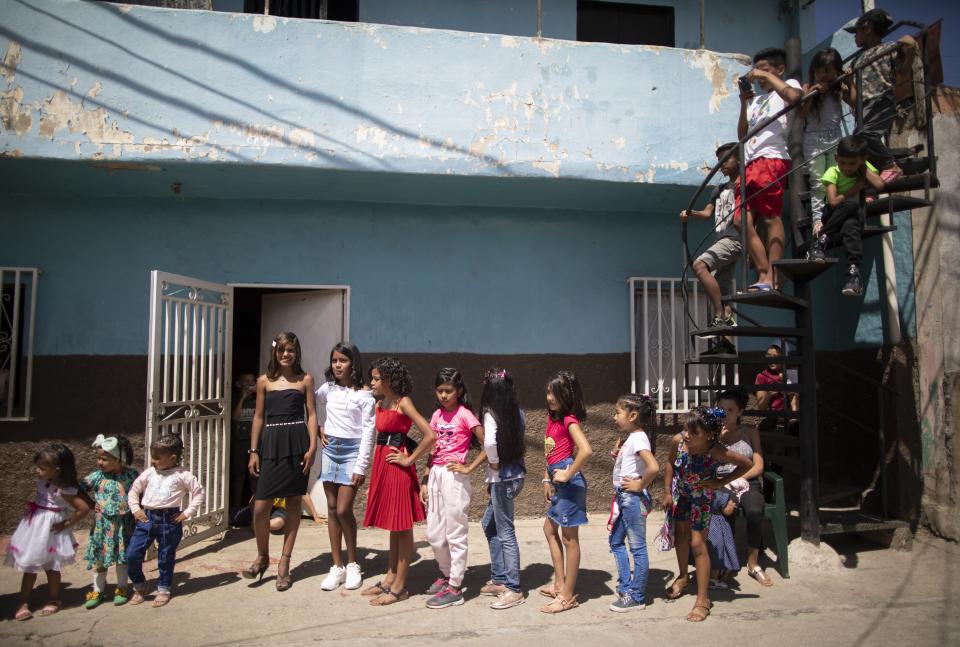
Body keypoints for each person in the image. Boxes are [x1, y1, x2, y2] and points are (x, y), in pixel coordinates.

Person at [241, 332, 319, 592]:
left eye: (291, 351)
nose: (286, 355)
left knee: (294, 502)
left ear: (297, 353)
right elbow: (259, 417)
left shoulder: (305, 379)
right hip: (271, 444)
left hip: (297, 444)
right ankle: (262, 556)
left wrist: (312, 445)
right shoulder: (264, 381)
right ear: (275, 353)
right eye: (281, 351)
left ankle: (284, 563)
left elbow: (311, 415)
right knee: (261, 506)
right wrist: (254, 450)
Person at [661, 406, 752, 622]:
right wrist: (666, 492)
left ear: (709, 435)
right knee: (681, 538)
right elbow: (670, 464)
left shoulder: (717, 451)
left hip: (702, 500)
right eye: (685, 429)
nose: (687, 435)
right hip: (681, 496)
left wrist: (721, 482)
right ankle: (683, 577)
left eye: (694, 432)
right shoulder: (679, 441)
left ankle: (702, 600)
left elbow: (747, 464)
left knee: (698, 545)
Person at [361, 357, 437, 606]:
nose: (371, 382)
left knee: (403, 529)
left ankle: (401, 587)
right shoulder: (382, 402)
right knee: (393, 528)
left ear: (389, 380)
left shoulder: (404, 403)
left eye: (375, 378)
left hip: (398, 469)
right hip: (384, 467)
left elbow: (430, 435)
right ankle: (389, 578)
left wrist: (409, 459)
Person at [737, 47, 802, 292]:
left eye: (764, 70)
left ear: (780, 70)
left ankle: (773, 276)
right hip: (751, 162)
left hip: (771, 157)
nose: (759, 76)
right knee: (740, 220)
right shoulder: (756, 101)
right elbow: (742, 135)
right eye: (756, 71)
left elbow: (795, 97)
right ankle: (764, 270)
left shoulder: (788, 85)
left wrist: (768, 78)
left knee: (770, 216)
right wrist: (744, 104)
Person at [421, 368, 487, 609]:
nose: (444, 396)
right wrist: (425, 480)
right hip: (436, 475)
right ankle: (447, 574)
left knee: (455, 533)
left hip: (454, 477)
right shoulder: (436, 415)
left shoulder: (465, 415)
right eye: (440, 391)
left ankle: (456, 588)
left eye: (448, 391)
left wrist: (469, 467)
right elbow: (432, 449)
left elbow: (487, 443)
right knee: (434, 534)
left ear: (459, 391)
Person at [316, 342, 376, 592]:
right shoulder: (328, 388)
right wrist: (320, 426)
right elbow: (312, 404)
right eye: (334, 361)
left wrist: (361, 466)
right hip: (330, 450)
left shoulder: (364, 394)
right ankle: (337, 566)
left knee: (343, 509)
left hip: (352, 452)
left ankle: (352, 563)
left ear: (354, 363)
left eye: (343, 360)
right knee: (331, 509)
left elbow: (368, 432)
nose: (337, 365)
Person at [6, 444, 90, 621]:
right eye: (37, 466)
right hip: (34, 528)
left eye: (42, 468)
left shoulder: (64, 490)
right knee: (30, 566)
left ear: (57, 470)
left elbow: (82, 509)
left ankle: (54, 599)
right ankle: (23, 602)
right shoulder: (42, 481)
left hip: (51, 530)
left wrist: (66, 524)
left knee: (52, 567)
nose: (37, 471)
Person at [126, 433, 204, 607]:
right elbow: (133, 491)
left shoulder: (183, 475)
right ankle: (139, 586)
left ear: (172, 458)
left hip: (170, 521)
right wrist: (136, 509)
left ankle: (163, 588)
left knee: (165, 557)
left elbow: (199, 493)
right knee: (132, 554)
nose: (153, 461)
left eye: (157, 458)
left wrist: (187, 513)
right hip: (146, 520)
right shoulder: (149, 473)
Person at [540, 371, 593, 614]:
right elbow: (550, 453)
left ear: (567, 396)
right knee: (549, 529)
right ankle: (560, 584)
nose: (550, 397)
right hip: (558, 484)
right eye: (549, 392)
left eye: (556, 393)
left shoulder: (569, 420)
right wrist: (546, 479)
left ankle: (568, 596)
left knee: (570, 539)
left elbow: (585, 450)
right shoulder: (553, 419)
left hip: (570, 486)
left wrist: (568, 473)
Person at [807, 135, 885, 297]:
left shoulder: (862, 167)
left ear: (861, 160)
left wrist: (862, 167)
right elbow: (834, 201)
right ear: (836, 158)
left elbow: (879, 184)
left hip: (853, 217)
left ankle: (853, 273)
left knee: (851, 228)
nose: (847, 168)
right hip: (832, 215)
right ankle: (822, 238)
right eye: (843, 162)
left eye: (852, 164)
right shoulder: (832, 172)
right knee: (851, 205)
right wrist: (857, 187)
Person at [844, 8, 916, 182]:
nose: (855, 37)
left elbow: (903, 70)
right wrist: (848, 81)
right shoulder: (857, 60)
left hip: (882, 100)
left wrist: (911, 49)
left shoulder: (890, 48)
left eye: (857, 32)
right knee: (857, 143)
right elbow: (854, 97)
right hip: (864, 105)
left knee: (865, 135)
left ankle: (891, 166)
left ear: (867, 28)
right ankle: (870, 186)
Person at [683, 141, 742, 356]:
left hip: (735, 238)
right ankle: (726, 343)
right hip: (723, 239)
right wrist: (690, 214)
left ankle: (718, 314)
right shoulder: (719, 189)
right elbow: (707, 213)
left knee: (699, 264)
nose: (722, 165)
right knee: (722, 292)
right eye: (719, 162)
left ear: (740, 158)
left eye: (726, 159)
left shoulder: (744, 184)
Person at [478, 368, 527, 610]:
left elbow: (489, 442)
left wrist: (494, 463)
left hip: (502, 479)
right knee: (489, 524)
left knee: (505, 531)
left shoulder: (490, 413)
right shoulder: (517, 412)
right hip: (515, 477)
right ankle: (499, 577)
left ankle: (513, 587)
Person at [607, 394, 659, 613]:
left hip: (632, 499)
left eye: (618, 412)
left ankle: (636, 596)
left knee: (637, 548)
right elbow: (633, 465)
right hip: (624, 498)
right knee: (616, 541)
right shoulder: (633, 437)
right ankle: (626, 586)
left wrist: (639, 485)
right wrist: (617, 456)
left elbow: (653, 467)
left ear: (633, 415)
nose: (614, 416)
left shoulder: (638, 438)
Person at [716, 389, 771, 587]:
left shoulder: (750, 431)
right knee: (723, 512)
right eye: (721, 409)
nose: (725, 414)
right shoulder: (711, 432)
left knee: (755, 510)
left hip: (747, 482)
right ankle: (724, 561)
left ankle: (753, 561)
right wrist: (716, 436)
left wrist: (735, 478)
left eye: (730, 410)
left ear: (739, 412)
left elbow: (758, 466)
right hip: (720, 484)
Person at [800, 48, 856, 230]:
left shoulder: (839, 88)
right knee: (817, 181)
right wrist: (813, 92)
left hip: (835, 138)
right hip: (813, 140)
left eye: (827, 71)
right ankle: (817, 219)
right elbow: (801, 113)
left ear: (835, 71)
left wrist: (849, 81)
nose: (822, 75)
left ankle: (832, 217)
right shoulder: (807, 88)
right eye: (818, 71)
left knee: (834, 179)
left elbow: (855, 102)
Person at [81, 434, 139, 609]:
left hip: (124, 526)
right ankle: (98, 590)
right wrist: (91, 504)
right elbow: (78, 488)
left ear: (119, 459)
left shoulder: (131, 475)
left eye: (104, 459)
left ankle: (122, 588)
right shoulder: (96, 477)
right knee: (100, 559)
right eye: (98, 458)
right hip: (102, 527)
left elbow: (141, 491)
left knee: (122, 558)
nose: (100, 462)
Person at [231, 371, 257, 513]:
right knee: (239, 474)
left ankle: (253, 508)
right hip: (240, 441)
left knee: (254, 474)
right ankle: (237, 506)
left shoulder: (257, 400)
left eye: (251, 381)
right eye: (246, 381)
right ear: (239, 384)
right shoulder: (235, 399)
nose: (249, 384)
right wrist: (242, 398)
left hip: (253, 441)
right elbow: (235, 417)